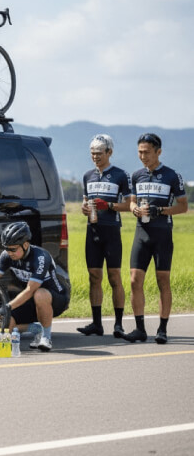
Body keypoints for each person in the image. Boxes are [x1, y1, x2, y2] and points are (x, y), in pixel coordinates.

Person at [0, 221, 70, 352]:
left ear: (25, 245)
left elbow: (30, 290)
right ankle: (36, 328)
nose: (9, 252)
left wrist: (8, 306)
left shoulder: (40, 257)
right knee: (3, 321)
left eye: (13, 249)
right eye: (7, 248)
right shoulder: (7, 255)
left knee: (39, 293)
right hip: (30, 301)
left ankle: (46, 337)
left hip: (55, 298)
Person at [125, 133, 187, 344]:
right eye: (140, 152)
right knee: (134, 280)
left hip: (162, 235)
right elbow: (132, 202)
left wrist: (160, 210)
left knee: (163, 281)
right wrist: (134, 209)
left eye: (147, 152)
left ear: (158, 152)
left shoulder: (172, 175)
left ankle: (162, 329)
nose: (143, 156)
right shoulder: (136, 175)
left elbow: (183, 206)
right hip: (141, 233)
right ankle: (140, 329)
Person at [77, 134, 131, 338]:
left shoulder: (121, 175)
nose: (95, 157)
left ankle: (118, 324)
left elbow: (129, 204)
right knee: (94, 277)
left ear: (109, 152)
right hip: (92, 231)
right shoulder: (87, 176)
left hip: (111, 231)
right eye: (92, 153)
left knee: (114, 277)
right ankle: (97, 324)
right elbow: (85, 202)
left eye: (99, 153)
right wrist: (84, 208)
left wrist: (108, 205)